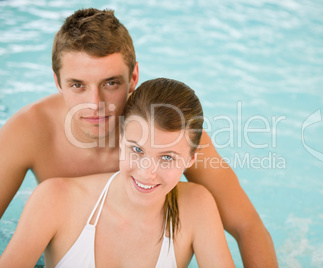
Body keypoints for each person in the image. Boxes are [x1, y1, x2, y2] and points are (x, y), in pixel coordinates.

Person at [0, 8, 277, 267]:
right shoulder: (28, 132)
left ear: (133, 77)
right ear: (57, 81)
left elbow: (247, 226)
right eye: (77, 85)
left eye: (111, 83)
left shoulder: (171, 135)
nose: (95, 103)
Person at [0, 78, 236, 267]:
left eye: (166, 158)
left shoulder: (197, 208)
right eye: (137, 149)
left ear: (190, 160)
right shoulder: (54, 199)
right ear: (121, 140)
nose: (147, 172)